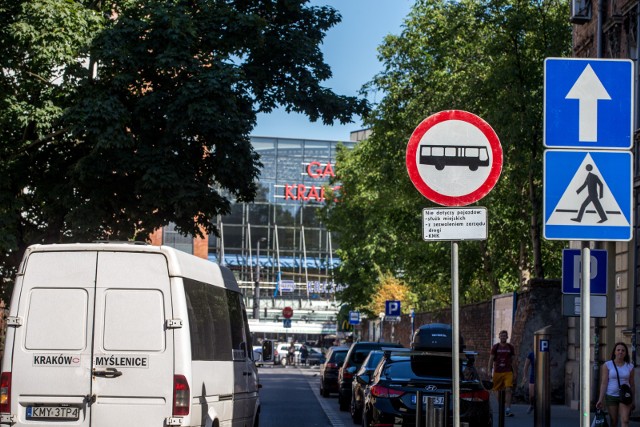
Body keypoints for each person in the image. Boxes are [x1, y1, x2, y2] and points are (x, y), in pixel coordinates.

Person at [596, 342, 635, 427]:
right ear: (615, 352)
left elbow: (632, 384)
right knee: (614, 421)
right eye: (618, 350)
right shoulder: (607, 365)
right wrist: (600, 399)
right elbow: (604, 383)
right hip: (611, 396)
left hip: (625, 396)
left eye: (623, 350)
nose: (620, 352)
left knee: (625, 420)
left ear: (626, 353)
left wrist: (633, 399)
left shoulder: (630, 366)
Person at [488, 330, 516, 417]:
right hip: (497, 371)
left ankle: (508, 410)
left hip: (508, 371)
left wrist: (515, 372)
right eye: (501, 336)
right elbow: (491, 359)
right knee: (496, 390)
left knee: (508, 389)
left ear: (507, 337)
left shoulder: (510, 347)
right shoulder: (495, 347)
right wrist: (489, 370)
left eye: (505, 336)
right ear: (499, 337)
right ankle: (502, 403)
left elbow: (513, 361)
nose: (503, 337)